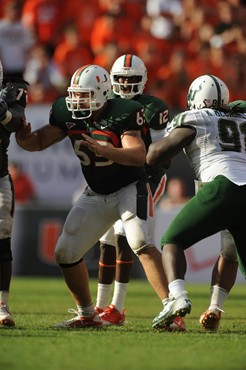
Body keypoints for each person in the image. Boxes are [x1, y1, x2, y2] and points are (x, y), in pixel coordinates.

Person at [16, 64, 172, 329]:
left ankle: (172, 310)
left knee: (139, 241)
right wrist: (22, 136)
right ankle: (88, 314)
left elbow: (137, 155)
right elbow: (39, 142)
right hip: (96, 192)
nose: (77, 100)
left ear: (102, 93)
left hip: (128, 187)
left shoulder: (124, 111)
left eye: (84, 94)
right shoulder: (67, 112)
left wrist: (107, 150)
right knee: (65, 251)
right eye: (75, 94)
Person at [146, 75, 246, 330]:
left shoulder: (197, 117)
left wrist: (149, 150)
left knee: (172, 241)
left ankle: (177, 297)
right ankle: (211, 307)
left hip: (222, 185)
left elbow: (158, 155)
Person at [95, 54, 185, 331]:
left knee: (125, 237)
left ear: (142, 81)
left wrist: (139, 162)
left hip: (147, 178)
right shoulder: (106, 104)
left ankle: (118, 307)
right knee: (106, 240)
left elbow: (163, 155)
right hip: (115, 179)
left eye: (130, 79)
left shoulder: (153, 108)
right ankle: (101, 305)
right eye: (120, 79)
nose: (124, 84)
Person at [0, 59, 29, 327]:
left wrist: (2, 113)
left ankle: (2, 305)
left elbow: (17, 123)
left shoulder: (11, 92)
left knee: (1, 238)